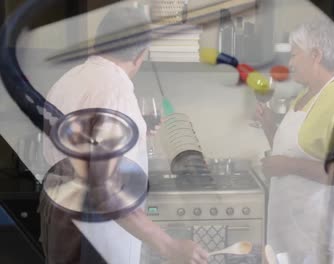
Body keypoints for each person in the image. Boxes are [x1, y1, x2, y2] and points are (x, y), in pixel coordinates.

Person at [39, 4, 209, 264]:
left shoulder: (68, 80)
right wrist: (169, 246)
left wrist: (137, 141)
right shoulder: (116, 93)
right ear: (142, 54)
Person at [256, 19, 334, 263]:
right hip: (296, 225)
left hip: (323, 232)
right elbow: (295, 150)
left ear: (316, 55)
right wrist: (268, 125)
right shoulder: (305, 95)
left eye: (294, 55)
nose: (290, 63)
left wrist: (287, 166)